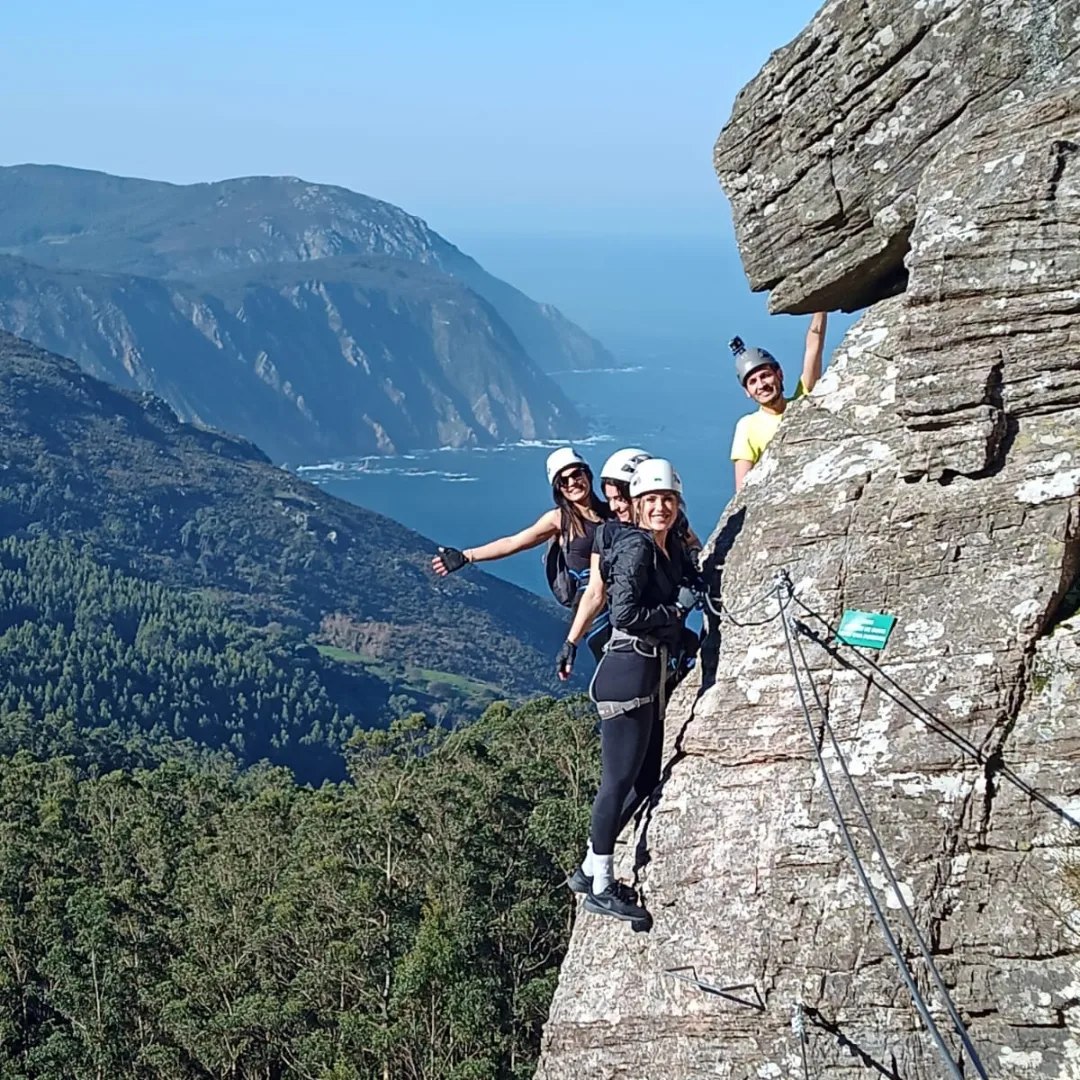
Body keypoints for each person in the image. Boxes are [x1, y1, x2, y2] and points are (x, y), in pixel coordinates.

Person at [555, 458, 700, 923]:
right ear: (635, 506)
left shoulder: (666, 547)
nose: (661, 507)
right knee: (617, 783)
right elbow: (624, 614)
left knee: (642, 783)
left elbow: (676, 586)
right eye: (651, 500)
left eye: (668, 500)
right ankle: (601, 885)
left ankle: (587, 868)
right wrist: (676, 613)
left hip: (646, 675)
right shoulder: (637, 547)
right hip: (627, 674)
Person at [431, 446, 613, 660]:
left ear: (587, 474)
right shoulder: (559, 519)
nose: (572, 483)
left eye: (576, 474)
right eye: (564, 481)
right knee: (616, 668)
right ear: (558, 489)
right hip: (593, 612)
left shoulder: (613, 513)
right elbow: (514, 542)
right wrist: (467, 556)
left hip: (625, 602)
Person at [730, 312, 828, 491]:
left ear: (779, 375)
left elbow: (814, 346)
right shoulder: (747, 426)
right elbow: (742, 489)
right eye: (752, 382)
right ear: (747, 392)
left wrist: (822, 306)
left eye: (765, 376)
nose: (761, 385)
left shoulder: (803, 403)